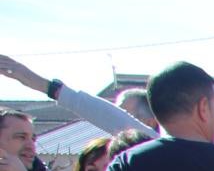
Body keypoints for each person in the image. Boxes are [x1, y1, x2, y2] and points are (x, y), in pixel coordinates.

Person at [0, 55, 155, 136]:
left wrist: (47, 86)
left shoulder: (167, 154)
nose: (115, 119)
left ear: (151, 122)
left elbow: (108, 116)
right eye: (117, 110)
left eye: (127, 115)